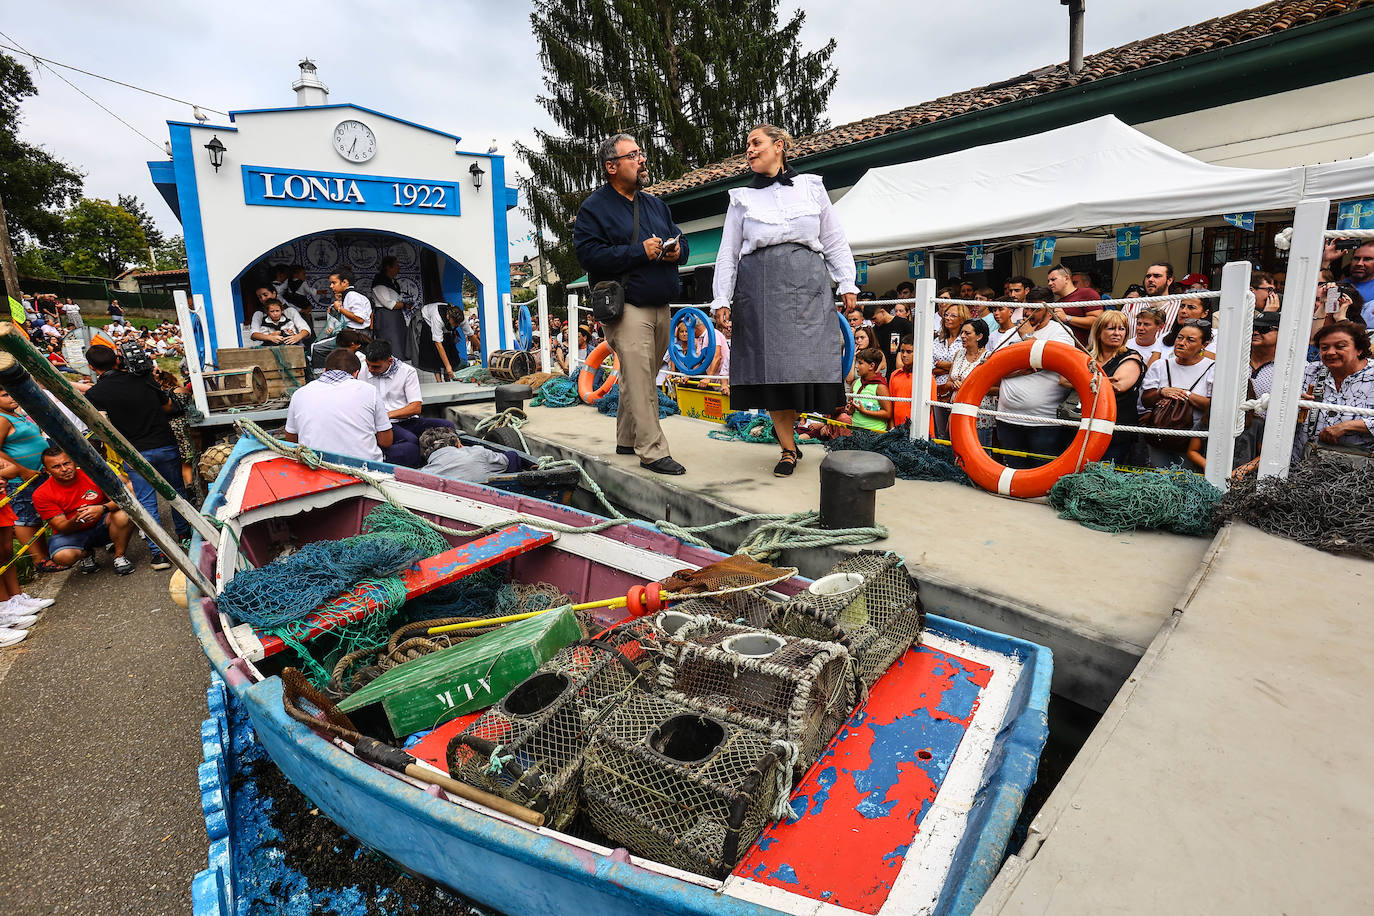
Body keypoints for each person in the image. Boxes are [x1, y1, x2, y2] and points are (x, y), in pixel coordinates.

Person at [710, 124, 858, 477]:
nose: (749, 150)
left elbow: (834, 239)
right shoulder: (741, 198)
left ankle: (797, 434)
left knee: (806, 367)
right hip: (760, 293)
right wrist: (721, 299)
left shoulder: (812, 186)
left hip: (809, 289)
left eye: (755, 143)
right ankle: (788, 448)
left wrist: (847, 282)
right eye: (746, 144)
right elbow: (728, 254)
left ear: (779, 146)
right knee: (772, 372)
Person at [574, 133, 690, 475]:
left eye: (640, 154)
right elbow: (588, 255)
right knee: (641, 379)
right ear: (612, 166)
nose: (642, 160)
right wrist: (639, 252)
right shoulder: (594, 208)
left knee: (642, 375)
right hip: (627, 307)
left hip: (661, 303)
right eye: (633, 155)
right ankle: (652, 450)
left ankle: (626, 437)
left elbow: (684, 243)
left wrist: (675, 252)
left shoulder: (656, 205)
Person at [83, 344, 190, 569]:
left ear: (92, 367)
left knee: (146, 503)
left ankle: (160, 554)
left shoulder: (95, 394)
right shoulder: (144, 379)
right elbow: (169, 406)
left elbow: (101, 426)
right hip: (164, 443)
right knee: (176, 493)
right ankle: (185, 539)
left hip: (133, 452)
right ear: (117, 360)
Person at [995, 288, 1076, 467]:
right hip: (1006, 418)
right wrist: (1019, 369)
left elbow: (1048, 361)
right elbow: (995, 368)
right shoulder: (1011, 332)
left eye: (1035, 309)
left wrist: (1027, 335)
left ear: (1049, 310)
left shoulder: (1061, 333)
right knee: (1013, 469)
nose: (1029, 313)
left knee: (1040, 469)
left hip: (1043, 421)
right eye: (1027, 308)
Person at [31, 448, 135, 575]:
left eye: (66, 463)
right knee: (62, 557)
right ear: (47, 471)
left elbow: (123, 499)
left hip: (101, 522)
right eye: (56, 466)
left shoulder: (92, 473)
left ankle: (119, 556)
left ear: (74, 461)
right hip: (72, 532)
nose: (64, 469)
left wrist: (102, 509)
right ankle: (87, 554)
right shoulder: (41, 494)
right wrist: (77, 519)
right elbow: (61, 526)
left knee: (123, 514)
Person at [357, 340, 455, 467]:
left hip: (407, 420)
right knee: (412, 441)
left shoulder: (407, 371)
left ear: (389, 361)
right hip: (383, 425)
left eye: (375, 367)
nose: (370, 369)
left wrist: (385, 415)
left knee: (447, 426)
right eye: (368, 365)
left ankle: (447, 462)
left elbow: (415, 407)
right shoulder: (361, 370)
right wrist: (382, 418)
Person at [283, 349, 393, 462]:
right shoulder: (370, 391)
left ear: (324, 371)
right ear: (356, 373)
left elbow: (291, 440)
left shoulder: (300, 393)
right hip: (363, 467)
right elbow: (386, 441)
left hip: (315, 465)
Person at [1294, 320, 1374, 457]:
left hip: (1360, 468)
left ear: (1360, 349)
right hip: (1304, 464)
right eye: (1324, 348)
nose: (1330, 352)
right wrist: (1295, 406)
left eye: (1340, 346)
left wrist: (1347, 426)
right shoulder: (1309, 371)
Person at [1141, 321, 1214, 468]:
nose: (1182, 343)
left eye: (1190, 340)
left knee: (1188, 482)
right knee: (1159, 479)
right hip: (1160, 436)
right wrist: (1161, 392)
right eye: (1179, 338)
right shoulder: (1160, 365)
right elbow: (1145, 401)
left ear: (1204, 345)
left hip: (1194, 440)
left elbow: (1213, 406)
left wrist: (1184, 394)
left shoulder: (1213, 367)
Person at [0, 387, 56, 571]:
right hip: (20, 480)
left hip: (38, 474)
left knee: (37, 517)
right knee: (25, 518)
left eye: (10, 392)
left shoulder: (17, 414)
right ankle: (39, 560)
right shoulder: (2, 419)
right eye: (4, 395)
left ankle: (45, 555)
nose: (11, 397)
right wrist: (22, 470)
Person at [1086, 311, 1145, 463]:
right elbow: (1064, 379)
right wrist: (1101, 381)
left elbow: (1119, 385)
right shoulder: (1086, 355)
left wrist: (1082, 379)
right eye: (1111, 328)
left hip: (1116, 431)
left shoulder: (1131, 357)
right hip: (1085, 426)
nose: (1117, 334)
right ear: (1099, 332)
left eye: (1121, 329)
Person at [311, 269, 373, 369]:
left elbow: (360, 319)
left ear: (344, 282)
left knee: (317, 348)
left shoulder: (352, 295)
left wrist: (339, 308)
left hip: (356, 335)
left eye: (333, 283)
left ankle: (321, 376)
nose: (331, 286)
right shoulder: (348, 295)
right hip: (350, 334)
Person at [948, 319, 994, 446]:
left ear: (979, 336)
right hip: (957, 411)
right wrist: (953, 385)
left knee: (980, 453)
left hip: (979, 415)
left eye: (967, 333)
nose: (962, 336)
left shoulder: (989, 357)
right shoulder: (959, 354)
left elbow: (998, 387)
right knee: (957, 451)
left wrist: (971, 387)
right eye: (962, 332)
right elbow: (948, 382)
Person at [931, 304, 968, 439]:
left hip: (957, 391)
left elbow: (965, 365)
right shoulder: (938, 340)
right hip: (938, 390)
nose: (948, 318)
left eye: (953, 315)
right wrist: (951, 366)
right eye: (946, 315)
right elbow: (930, 367)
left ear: (962, 320)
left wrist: (942, 365)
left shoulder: (965, 340)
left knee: (956, 432)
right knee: (941, 432)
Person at [1047, 264, 1102, 347]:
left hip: (1084, 352)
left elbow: (1098, 322)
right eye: (1048, 281)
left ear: (1067, 278)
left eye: (1053, 279)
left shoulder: (1087, 293)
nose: (1050, 283)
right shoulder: (1056, 304)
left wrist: (1067, 318)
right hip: (1061, 350)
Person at [412, 301, 467, 381]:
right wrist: (448, 368)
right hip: (427, 320)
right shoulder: (437, 318)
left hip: (444, 325)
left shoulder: (459, 317)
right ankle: (439, 381)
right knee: (434, 351)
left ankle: (447, 378)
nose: (456, 326)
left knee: (449, 349)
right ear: (449, 317)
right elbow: (438, 344)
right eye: (455, 323)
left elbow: (470, 334)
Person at [370, 256, 411, 361]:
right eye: (396, 266)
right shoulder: (380, 283)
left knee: (400, 343)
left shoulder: (393, 282)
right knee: (391, 344)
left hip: (396, 318)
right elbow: (389, 304)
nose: (398, 268)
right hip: (386, 318)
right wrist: (403, 305)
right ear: (388, 267)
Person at [846, 348, 890, 432]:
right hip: (855, 433)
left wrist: (865, 412)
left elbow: (887, 413)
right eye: (857, 363)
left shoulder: (880, 387)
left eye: (860, 363)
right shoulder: (855, 383)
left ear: (871, 366)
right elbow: (849, 409)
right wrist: (850, 410)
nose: (856, 366)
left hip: (875, 434)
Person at [1248, 311, 1280, 415]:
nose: (1255, 332)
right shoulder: (1236, 361)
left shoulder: (1291, 368)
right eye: (1253, 328)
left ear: (1281, 332)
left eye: (1264, 329)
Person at [871, 298, 912, 377]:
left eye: (874, 318)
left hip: (902, 371)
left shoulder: (904, 324)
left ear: (882, 312)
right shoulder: (875, 329)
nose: (873, 322)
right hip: (884, 371)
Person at [888, 335, 914, 428]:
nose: (904, 355)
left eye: (909, 352)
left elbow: (929, 409)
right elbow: (890, 405)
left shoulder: (926, 378)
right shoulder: (894, 375)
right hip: (896, 430)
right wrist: (891, 428)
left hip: (918, 432)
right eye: (902, 351)